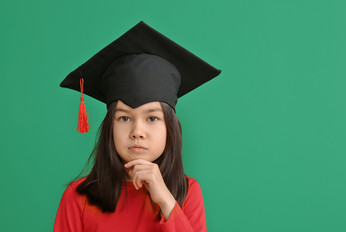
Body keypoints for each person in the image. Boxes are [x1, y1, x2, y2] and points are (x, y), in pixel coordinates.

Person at [54, 21, 221, 232]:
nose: (137, 133)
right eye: (124, 118)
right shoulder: (78, 196)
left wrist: (167, 202)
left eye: (152, 118)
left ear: (170, 128)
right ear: (109, 128)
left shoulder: (187, 191)